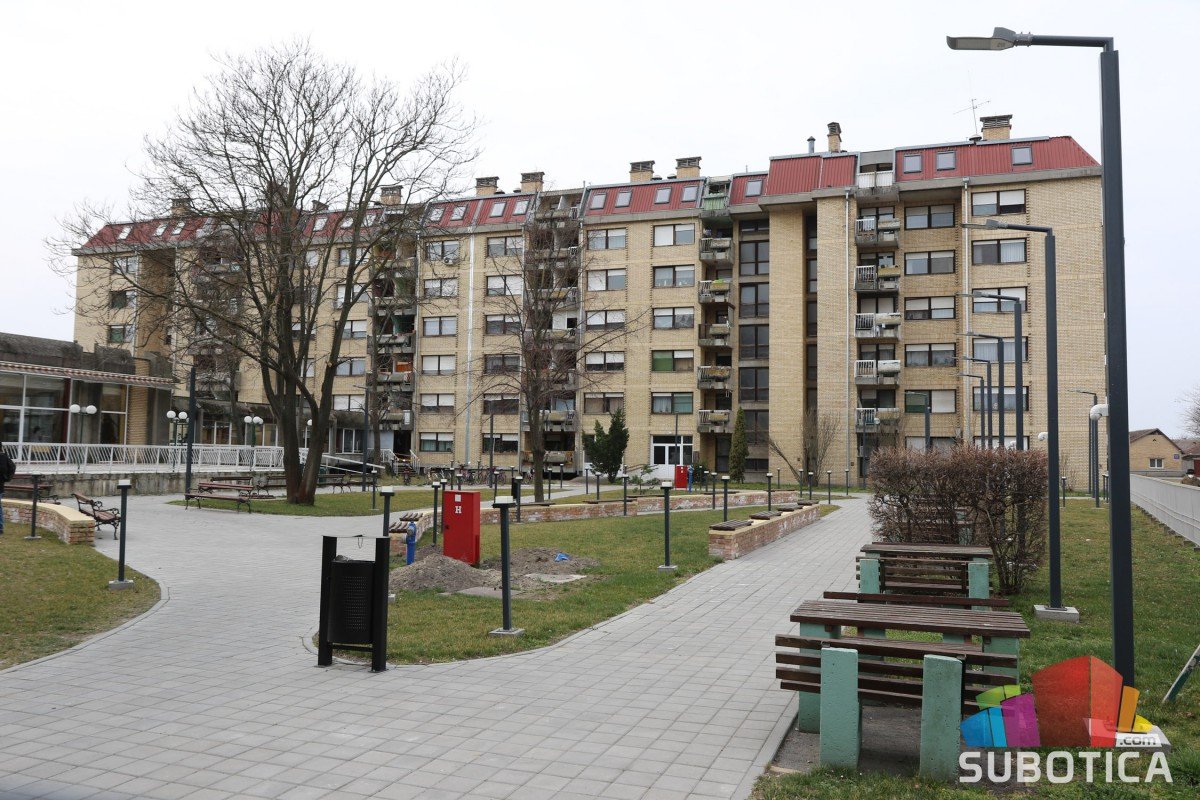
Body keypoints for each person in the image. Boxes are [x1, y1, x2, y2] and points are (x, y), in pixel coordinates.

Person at [0, 448, 15, 535]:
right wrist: (6, 478)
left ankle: (0, 527)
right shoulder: (5, 457)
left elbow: (11, 468)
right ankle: (0, 527)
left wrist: (6, 478)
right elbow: (12, 467)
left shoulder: (3, 458)